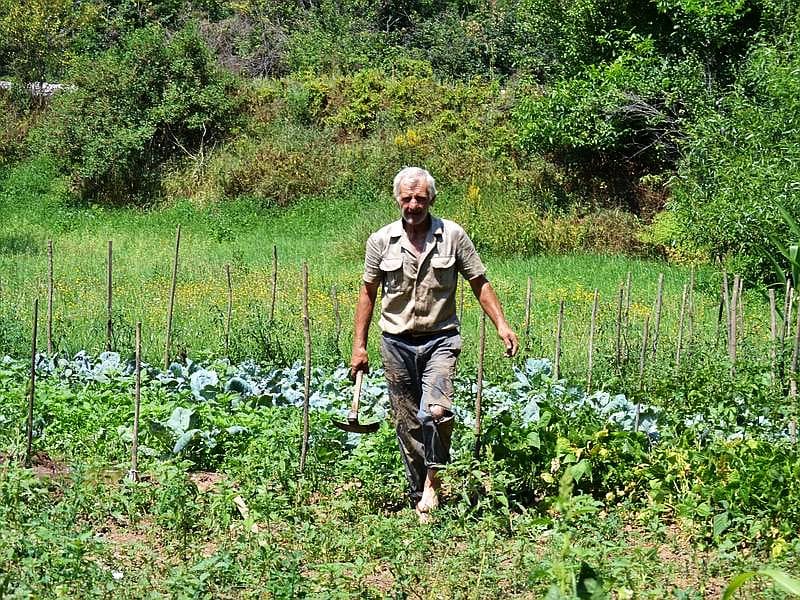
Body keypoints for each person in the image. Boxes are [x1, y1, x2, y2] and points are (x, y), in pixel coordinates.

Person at [350, 166, 519, 521]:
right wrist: (359, 345)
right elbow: (367, 292)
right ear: (397, 199)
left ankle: (432, 483)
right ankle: (419, 494)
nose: (414, 205)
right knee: (407, 422)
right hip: (395, 341)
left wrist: (502, 324)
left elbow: (479, 282)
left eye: (421, 199)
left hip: (441, 338)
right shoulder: (381, 241)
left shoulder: (453, 236)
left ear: (432, 200)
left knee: (437, 413)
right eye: (408, 198)